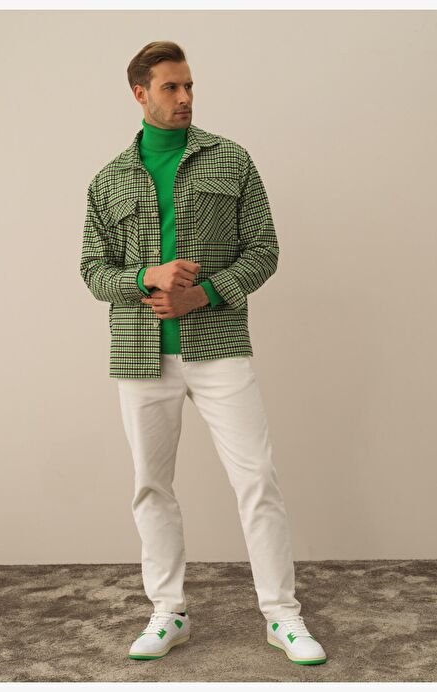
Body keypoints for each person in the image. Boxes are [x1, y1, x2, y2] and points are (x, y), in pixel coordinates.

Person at [80, 40, 327, 666]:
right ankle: (169, 612)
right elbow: (92, 271)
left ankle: (282, 616)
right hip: (140, 354)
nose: (185, 97)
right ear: (140, 93)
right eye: (171, 87)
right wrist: (148, 277)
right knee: (151, 487)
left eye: (189, 85)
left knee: (257, 478)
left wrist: (204, 294)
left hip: (219, 346)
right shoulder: (108, 180)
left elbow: (264, 248)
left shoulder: (230, 159)